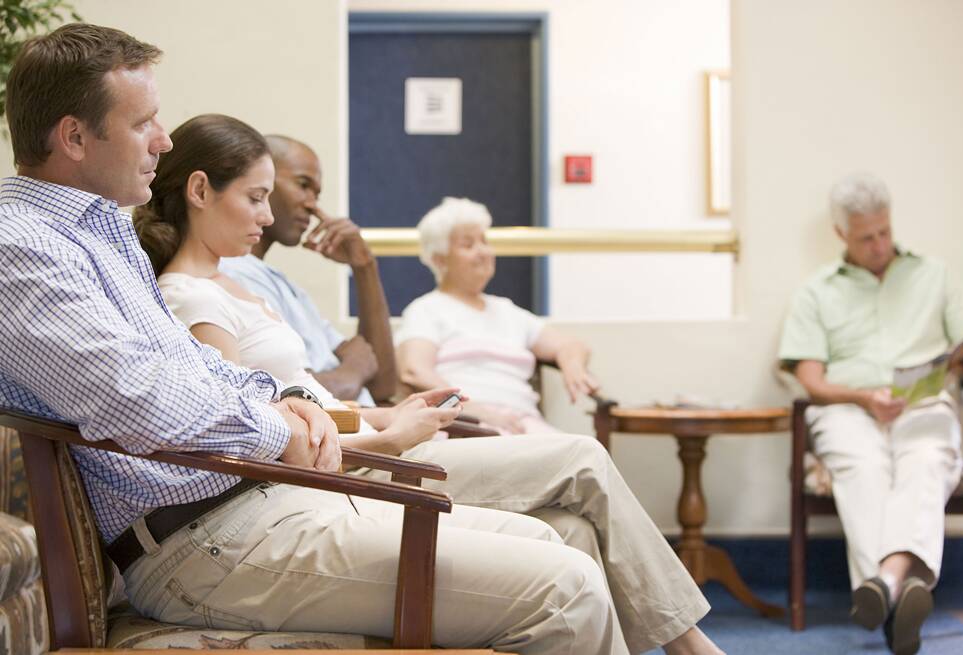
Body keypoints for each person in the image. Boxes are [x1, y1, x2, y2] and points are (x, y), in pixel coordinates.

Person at [0, 24, 705, 655]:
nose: (161, 138)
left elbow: (192, 370)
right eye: (145, 121)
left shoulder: (95, 231)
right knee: (569, 585)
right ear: (73, 137)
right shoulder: (22, 246)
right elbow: (139, 397)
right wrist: (279, 422)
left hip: (247, 501)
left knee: (567, 540)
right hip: (198, 541)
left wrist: (281, 401)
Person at [135, 119, 723, 655]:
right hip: (313, 483)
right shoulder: (192, 296)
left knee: (567, 528)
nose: (267, 216)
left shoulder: (240, 288)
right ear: (200, 191)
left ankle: (677, 640)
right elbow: (249, 443)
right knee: (581, 458)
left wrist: (385, 417)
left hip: (340, 457)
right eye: (255, 198)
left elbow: (296, 403)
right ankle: (687, 644)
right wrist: (389, 439)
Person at [779, 172, 963, 655]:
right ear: (840, 234)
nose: (879, 245)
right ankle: (901, 595)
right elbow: (811, 378)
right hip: (849, 408)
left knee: (928, 459)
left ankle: (885, 586)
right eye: (866, 237)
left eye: (885, 232)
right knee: (863, 469)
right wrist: (864, 398)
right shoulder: (816, 291)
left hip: (923, 403)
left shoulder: (934, 274)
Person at [397, 197, 598, 434]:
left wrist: (572, 363)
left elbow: (571, 345)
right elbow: (414, 370)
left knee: (587, 453)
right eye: (468, 245)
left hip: (522, 424)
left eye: (484, 241)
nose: (482, 251)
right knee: (580, 455)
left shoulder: (507, 311)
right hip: (464, 426)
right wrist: (477, 411)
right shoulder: (427, 309)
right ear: (440, 260)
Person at [219, 133, 395, 406]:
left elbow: (382, 385)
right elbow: (289, 393)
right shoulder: (231, 273)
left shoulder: (285, 285)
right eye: (303, 185)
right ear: (262, 180)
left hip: (375, 428)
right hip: (343, 442)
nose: (313, 204)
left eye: (317, 193)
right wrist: (353, 371)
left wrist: (364, 267)